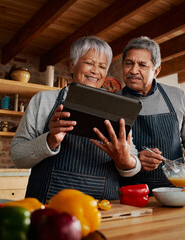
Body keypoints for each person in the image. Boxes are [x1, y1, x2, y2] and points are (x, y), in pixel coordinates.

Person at [10, 36, 141, 203]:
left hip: (103, 209)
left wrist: (125, 160)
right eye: (89, 63)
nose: (96, 71)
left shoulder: (117, 107)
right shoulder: (44, 100)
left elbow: (134, 165)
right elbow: (17, 156)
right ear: (72, 64)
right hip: (49, 208)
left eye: (102, 66)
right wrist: (49, 141)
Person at [118, 36, 185, 191]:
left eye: (142, 65)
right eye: (129, 63)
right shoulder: (113, 101)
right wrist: (136, 160)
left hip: (175, 189)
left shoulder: (177, 96)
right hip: (131, 192)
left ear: (156, 70)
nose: (133, 70)